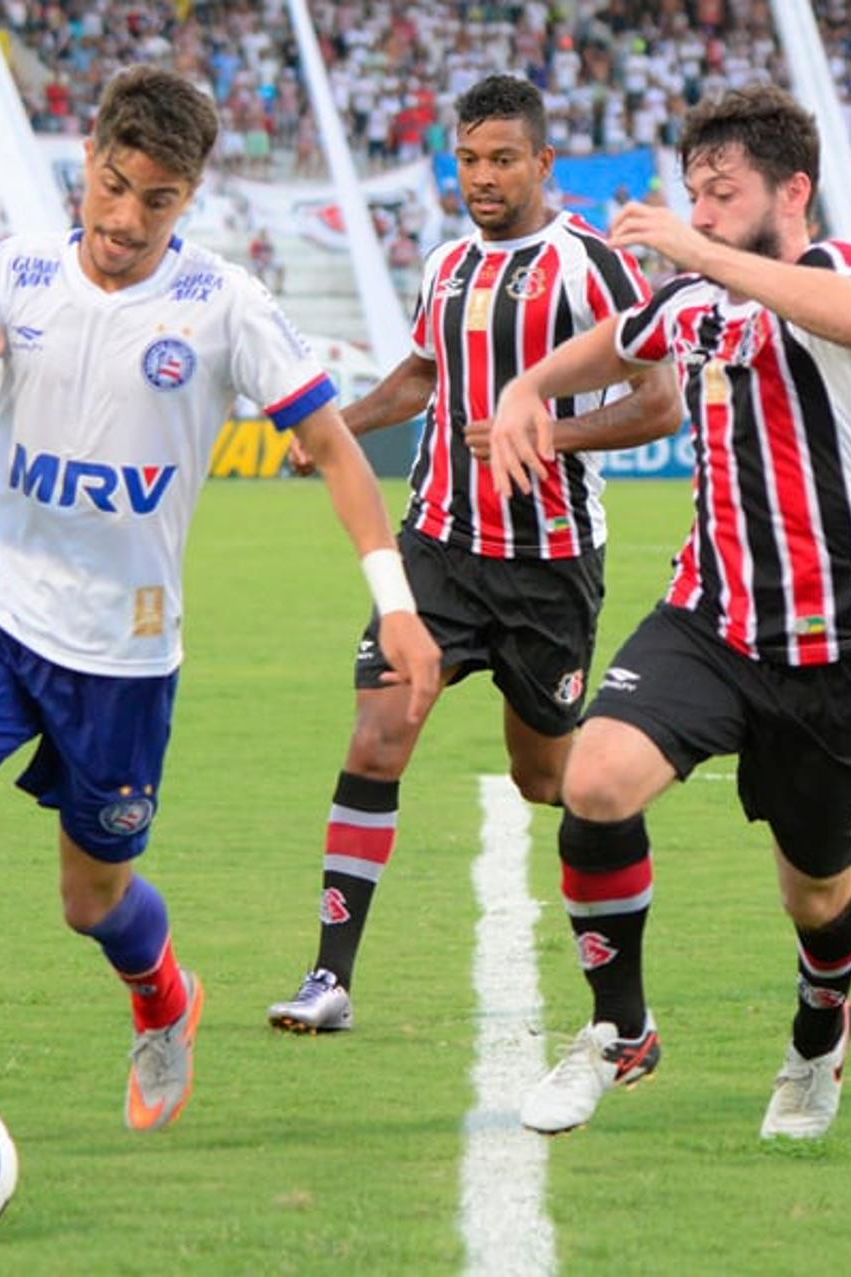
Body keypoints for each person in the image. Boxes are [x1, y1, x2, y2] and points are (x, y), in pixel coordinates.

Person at [0, 67, 441, 1173]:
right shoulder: (15, 271)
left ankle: (164, 998)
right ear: (84, 161)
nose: (127, 218)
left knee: (90, 898)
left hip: (124, 652)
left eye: (157, 198)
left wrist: (400, 607)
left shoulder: (224, 304)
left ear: (187, 198)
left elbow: (334, 447)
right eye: (112, 185)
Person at [489, 83, 851, 1142]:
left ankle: (821, 1024)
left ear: (793, 189)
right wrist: (523, 391)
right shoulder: (696, 302)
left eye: (723, 193)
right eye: (694, 194)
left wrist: (697, 247)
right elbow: (625, 342)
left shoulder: (835, 274)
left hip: (837, 646)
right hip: (708, 619)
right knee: (594, 778)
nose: (704, 211)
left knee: (816, 894)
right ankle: (621, 1030)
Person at [263, 76, 681, 1035]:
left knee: (550, 780)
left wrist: (550, 435)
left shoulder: (590, 267)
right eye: (468, 158)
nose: (482, 177)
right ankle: (329, 980)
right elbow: (422, 374)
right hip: (437, 553)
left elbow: (661, 402)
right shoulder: (449, 263)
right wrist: (335, 426)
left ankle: (620, 924)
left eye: (502, 159)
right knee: (376, 737)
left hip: (549, 566)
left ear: (543, 163)